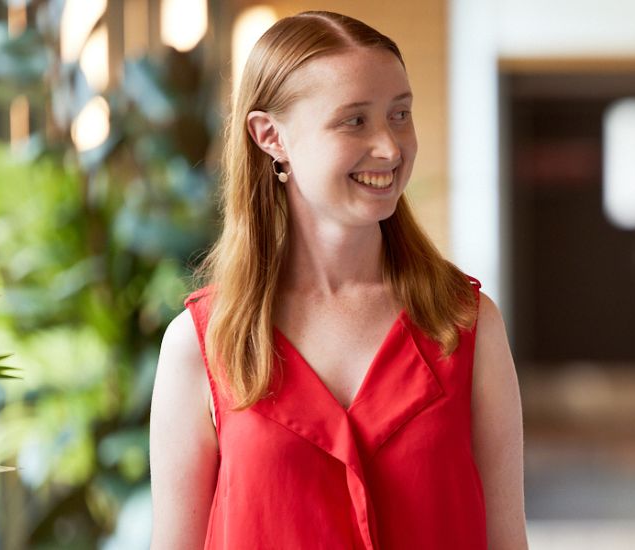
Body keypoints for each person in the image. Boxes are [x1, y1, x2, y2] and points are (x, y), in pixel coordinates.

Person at [148, 11, 527, 549]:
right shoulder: (202, 344)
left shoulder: (465, 325)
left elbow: (507, 540)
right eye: (355, 121)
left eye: (400, 114)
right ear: (270, 136)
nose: (391, 148)